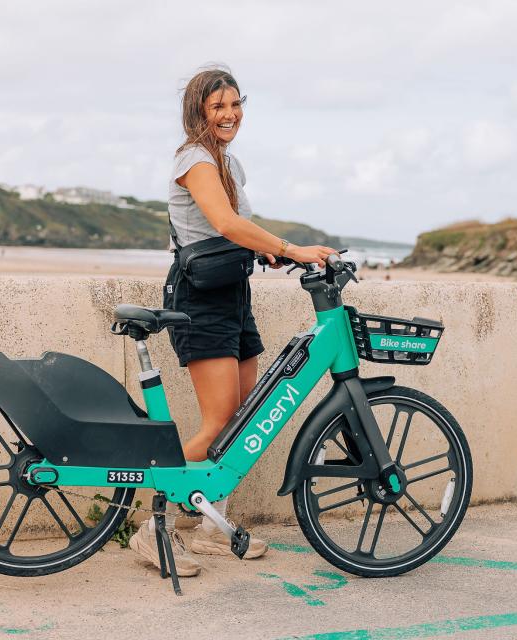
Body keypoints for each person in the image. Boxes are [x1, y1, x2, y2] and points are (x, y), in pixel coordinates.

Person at [129, 66, 337, 577]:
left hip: (233, 295)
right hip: (200, 298)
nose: (229, 115)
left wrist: (274, 255)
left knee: (243, 424)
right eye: (217, 107)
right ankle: (149, 530)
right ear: (199, 111)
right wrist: (291, 246)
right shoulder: (195, 159)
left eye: (235, 104)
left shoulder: (229, 162)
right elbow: (223, 224)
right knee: (219, 420)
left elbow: (239, 227)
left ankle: (205, 527)